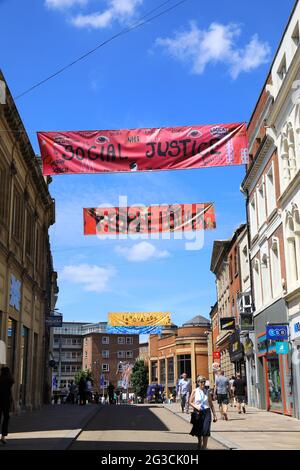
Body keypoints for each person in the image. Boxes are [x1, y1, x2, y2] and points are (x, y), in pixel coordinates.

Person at [189, 375, 217, 450]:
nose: (203, 384)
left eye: (204, 382)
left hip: (207, 412)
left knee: (206, 430)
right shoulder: (195, 391)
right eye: (201, 382)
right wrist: (196, 406)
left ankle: (204, 448)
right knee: (199, 431)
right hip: (198, 412)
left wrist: (214, 415)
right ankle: (199, 441)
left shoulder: (207, 391)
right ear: (198, 382)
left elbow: (211, 403)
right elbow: (190, 402)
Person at [0, 366, 14, 444]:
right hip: (6, 402)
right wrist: (14, 403)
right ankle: (3, 437)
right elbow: (11, 392)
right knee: (6, 418)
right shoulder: (10, 380)